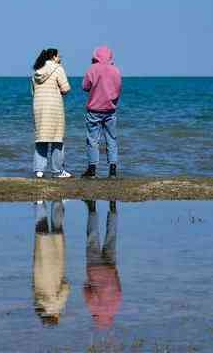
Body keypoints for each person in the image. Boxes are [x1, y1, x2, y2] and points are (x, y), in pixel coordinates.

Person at [80, 45, 122, 179]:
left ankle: (92, 170)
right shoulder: (115, 70)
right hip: (110, 109)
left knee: (93, 140)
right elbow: (118, 88)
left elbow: (85, 87)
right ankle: (113, 170)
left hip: (94, 109)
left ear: (96, 56)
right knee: (112, 140)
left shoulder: (92, 69)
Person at [31, 48, 72, 178]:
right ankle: (57, 170)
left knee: (41, 138)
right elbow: (66, 88)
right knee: (57, 139)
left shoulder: (36, 72)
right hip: (54, 108)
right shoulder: (58, 68)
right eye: (59, 56)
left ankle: (39, 170)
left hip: (39, 107)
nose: (60, 58)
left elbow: (33, 92)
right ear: (53, 57)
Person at [83, 200, 122, 329]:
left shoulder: (116, 306)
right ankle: (92, 208)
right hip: (94, 268)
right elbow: (87, 292)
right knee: (92, 237)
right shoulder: (94, 309)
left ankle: (113, 209)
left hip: (111, 268)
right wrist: (87, 283)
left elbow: (119, 288)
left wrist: (114, 271)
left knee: (112, 236)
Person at [32, 201, 70, 325]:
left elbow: (66, 288)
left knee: (57, 227)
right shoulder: (38, 303)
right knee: (40, 225)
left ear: (55, 317)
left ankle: (57, 201)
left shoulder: (56, 305)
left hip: (56, 264)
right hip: (40, 263)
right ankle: (39, 202)